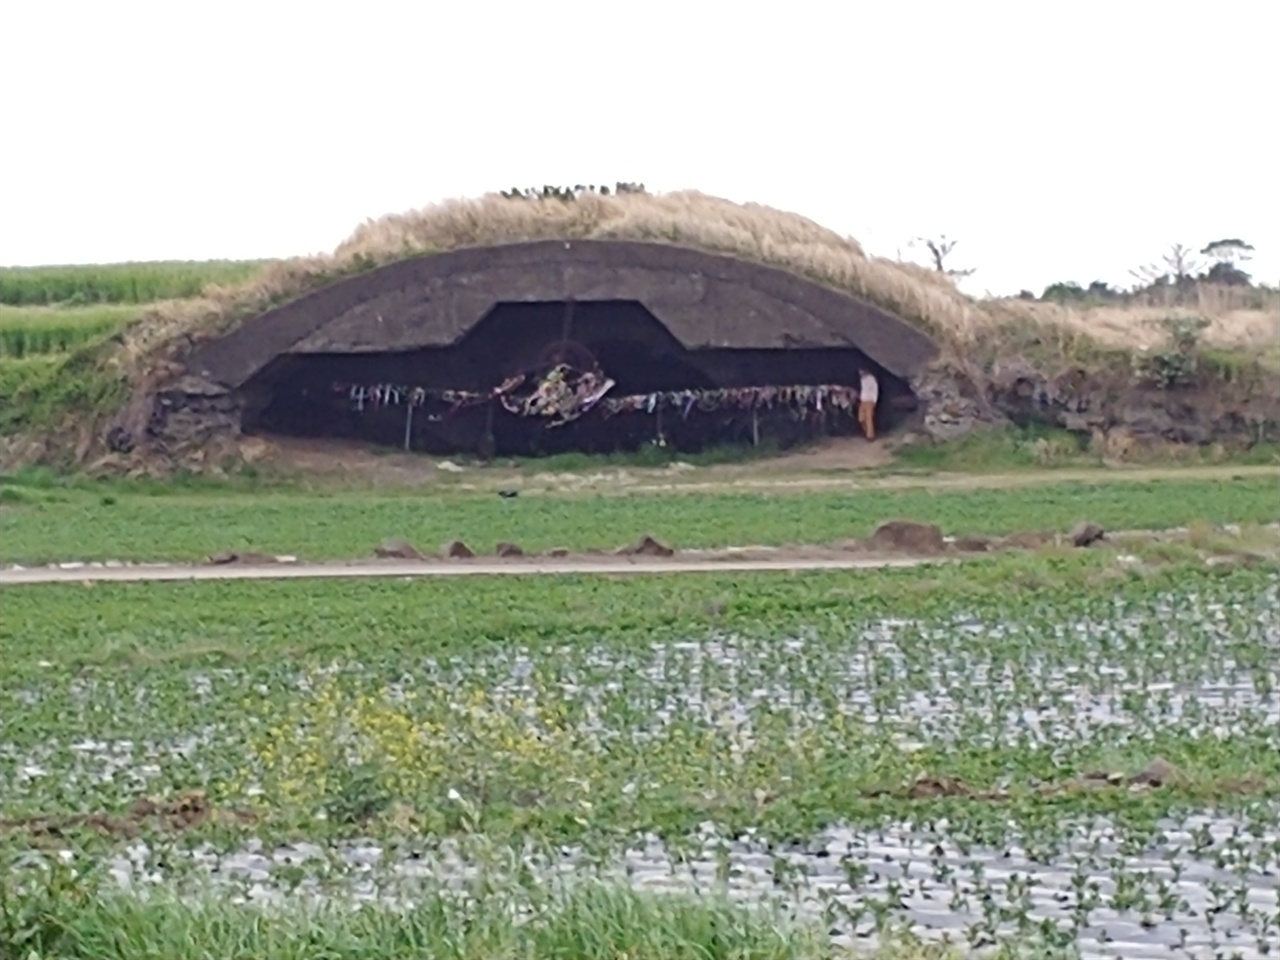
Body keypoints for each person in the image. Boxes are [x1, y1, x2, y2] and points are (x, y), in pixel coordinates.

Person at [857, 367, 879, 441]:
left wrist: (874, 401)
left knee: (869, 419)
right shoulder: (862, 379)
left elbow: (875, 389)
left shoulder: (871, 378)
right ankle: (867, 432)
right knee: (861, 418)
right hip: (863, 401)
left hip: (870, 401)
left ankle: (870, 436)